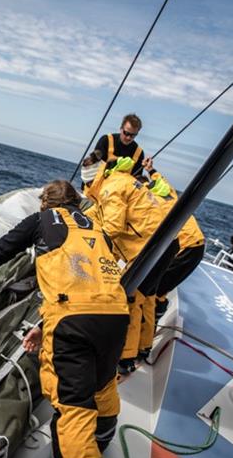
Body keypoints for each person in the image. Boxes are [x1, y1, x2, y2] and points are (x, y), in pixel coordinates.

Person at [0, 180, 129, 458]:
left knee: (73, 407)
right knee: (102, 385)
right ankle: (102, 439)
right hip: (115, 316)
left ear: (46, 203)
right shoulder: (96, 228)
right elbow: (88, 282)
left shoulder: (42, 221)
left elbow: (3, 249)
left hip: (73, 321)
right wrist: (45, 327)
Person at [82, 157, 179, 374]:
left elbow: (113, 228)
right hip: (163, 244)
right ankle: (140, 350)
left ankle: (123, 359)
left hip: (153, 248)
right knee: (143, 298)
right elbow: (100, 217)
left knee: (128, 299)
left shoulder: (110, 189)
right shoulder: (119, 180)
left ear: (90, 182)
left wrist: (90, 255)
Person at [143, 158, 206, 321]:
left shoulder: (146, 200)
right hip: (196, 244)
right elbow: (157, 177)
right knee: (159, 288)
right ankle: (154, 322)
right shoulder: (167, 190)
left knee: (151, 290)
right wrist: (150, 169)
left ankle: (147, 333)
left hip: (185, 247)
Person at [81, 113, 146, 196]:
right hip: (94, 192)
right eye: (126, 133)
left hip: (115, 198)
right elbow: (92, 166)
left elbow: (136, 182)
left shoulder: (139, 153)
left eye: (133, 135)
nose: (129, 138)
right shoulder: (106, 140)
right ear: (121, 129)